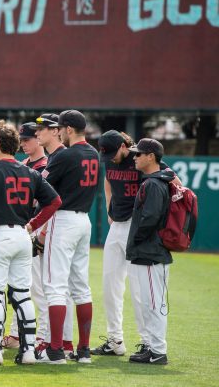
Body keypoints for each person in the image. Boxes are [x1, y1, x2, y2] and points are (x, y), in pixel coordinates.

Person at [0, 122, 61, 365]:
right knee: (22, 295)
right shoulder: (29, 172)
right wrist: (32, 224)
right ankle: (28, 352)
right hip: (21, 235)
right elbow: (54, 201)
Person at [94, 131, 180, 358]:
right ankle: (115, 340)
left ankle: (147, 342)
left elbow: (175, 183)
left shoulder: (141, 158)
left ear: (125, 146)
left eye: (114, 152)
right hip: (118, 225)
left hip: (138, 223)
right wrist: (109, 208)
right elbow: (108, 180)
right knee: (109, 285)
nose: (110, 158)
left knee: (140, 290)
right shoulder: (110, 160)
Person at [37, 110, 99, 365]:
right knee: (81, 287)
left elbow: (41, 189)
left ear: (70, 129)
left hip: (62, 221)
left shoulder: (65, 155)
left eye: (61, 128)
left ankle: (55, 351)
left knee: (55, 287)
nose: (59, 132)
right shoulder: (93, 153)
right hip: (84, 220)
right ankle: (83, 351)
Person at [126, 139, 175, 365]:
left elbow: (151, 218)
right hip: (148, 252)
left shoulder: (154, 184)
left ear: (151, 156)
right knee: (148, 303)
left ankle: (158, 351)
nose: (134, 157)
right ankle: (153, 349)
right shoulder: (155, 181)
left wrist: (136, 239)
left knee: (154, 305)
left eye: (138, 154)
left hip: (150, 253)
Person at [3, 121, 48, 349]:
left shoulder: (45, 164)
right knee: (18, 286)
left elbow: (48, 201)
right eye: (21, 140)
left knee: (38, 288)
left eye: (28, 139)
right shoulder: (24, 164)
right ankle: (14, 334)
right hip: (24, 226)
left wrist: (41, 232)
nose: (23, 144)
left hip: (39, 225)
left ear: (38, 139)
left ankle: (42, 336)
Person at [33, 114, 75, 357]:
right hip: (58, 223)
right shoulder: (56, 156)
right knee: (58, 287)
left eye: (43, 128)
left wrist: (44, 230)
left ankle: (51, 340)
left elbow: (55, 199)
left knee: (51, 287)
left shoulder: (60, 156)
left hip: (55, 224)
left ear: (56, 131)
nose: (39, 133)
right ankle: (62, 341)